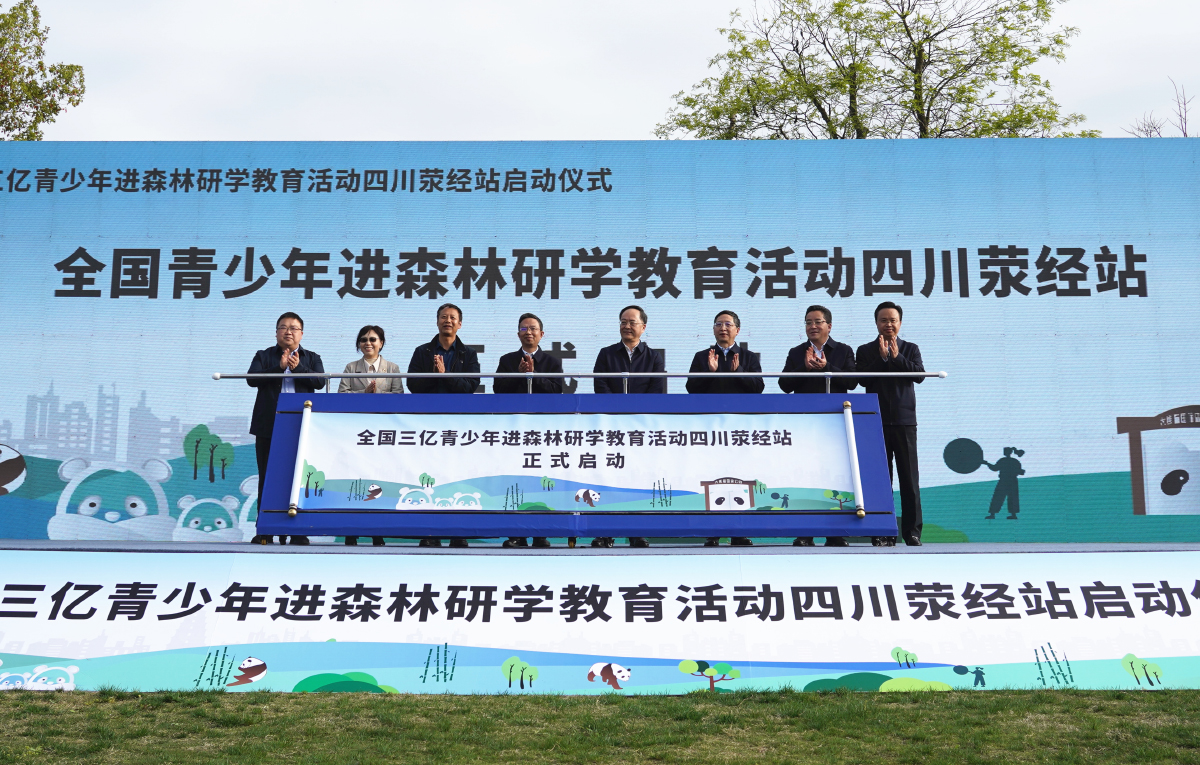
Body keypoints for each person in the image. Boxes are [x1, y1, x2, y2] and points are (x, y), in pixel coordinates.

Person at [781, 305, 857, 548]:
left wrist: (828, 369)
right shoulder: (796, 352)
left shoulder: (843, 350)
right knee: (804, 476)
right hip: (804, 423)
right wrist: (803, 368)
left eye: (817, 322)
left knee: (835, 478)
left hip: (834, 423)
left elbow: (854, 382)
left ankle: (835, 533)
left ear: (829, 326)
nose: (812, 326)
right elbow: (784, 385)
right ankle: (805, 532)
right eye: (808, 322)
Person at [686, 310, 764, 547]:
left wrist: (737, 372)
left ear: (737, 330)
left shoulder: (748, 357)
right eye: (718, 324)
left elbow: (758, 388)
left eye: (728, 324)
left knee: (740, 477)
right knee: (712, 477)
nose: (723, 328)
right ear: (713, 329)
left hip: (740, 427)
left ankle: (739, 532)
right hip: (710, 427)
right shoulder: (702, 357)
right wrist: (709, 373)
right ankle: (713, 532)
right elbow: (691, 388)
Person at [247, 312, 325, 546]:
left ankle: (298, 530)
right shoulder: (263, 356)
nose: (288, 331)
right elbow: (252, 379)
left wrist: (298, 368)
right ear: (276, 333)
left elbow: (319, 382)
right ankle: (266, 530)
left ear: (301, 333)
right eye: (283, 327)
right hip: (268, 425)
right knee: (267, 477)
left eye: (293, 328)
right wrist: (278, 367)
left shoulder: (312, 358)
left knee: (300, 477)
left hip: (302, 426)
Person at [407, 303, 481, 548]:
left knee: (458, 475)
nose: (448, 321)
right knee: (429, 476)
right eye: (443, 317)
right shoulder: (422, 352)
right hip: (427, 424)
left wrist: (445, 375)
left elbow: (470, 387)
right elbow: (413, 386)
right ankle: (430, 532)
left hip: (458, 424)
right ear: (437, 321)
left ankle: (458, 532)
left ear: (460, 324)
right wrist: (434, 375)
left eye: (452, 318)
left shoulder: (469, 354)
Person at [590, 305, 665, 548]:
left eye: (632, 322)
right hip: (611, 427)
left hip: (640, 429)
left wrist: (635, 412)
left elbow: (657, 390)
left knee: (638, 479)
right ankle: (606, 532)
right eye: (623, 321)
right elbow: (600, 385)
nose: (627, 326)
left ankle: (637, 531)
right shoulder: (606, 354)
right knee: (608, 477)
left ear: (643, 327)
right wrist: (617, 409)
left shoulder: (653, 357)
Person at [855, 301, 925, 547]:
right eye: (883, 320)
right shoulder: (865, 350)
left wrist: (896, 358)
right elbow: (861, 380)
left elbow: (919, 375)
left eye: (893, 320)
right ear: (876, 323)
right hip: (875, 422)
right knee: (880, 481)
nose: (888, 324)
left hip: (905, 421)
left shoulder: (910, 348)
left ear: (900, 323)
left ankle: (912, 532)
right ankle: (882, 531)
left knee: (909, 480)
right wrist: (882, 359)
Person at [494, 313, 563, 549]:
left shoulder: (552, 362)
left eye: (533, 328)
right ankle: (517, 534)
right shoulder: (507, 360)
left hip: (542, 430)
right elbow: (498, 390)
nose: (529, 332)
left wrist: (533, 376)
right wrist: (518, 375)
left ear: (541, 334)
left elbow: (557, 392)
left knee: (541, 480)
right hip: (514, 429)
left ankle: (541, 533)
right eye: (524, 329)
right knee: (515, 480)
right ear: (518, 334)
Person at [339, 325, 402, 547]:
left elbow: (399, 397)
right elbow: (341, 396)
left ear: (381, 343)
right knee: (353, 480)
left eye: (373, 339)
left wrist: (377, 394)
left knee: (378, 480)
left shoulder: (392, 368)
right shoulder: (351, 367)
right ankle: (351, 530)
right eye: (364, 339)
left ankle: (377, 531)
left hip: (382, 433)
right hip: (356, 433)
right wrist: (363, 394)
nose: (368, 343)